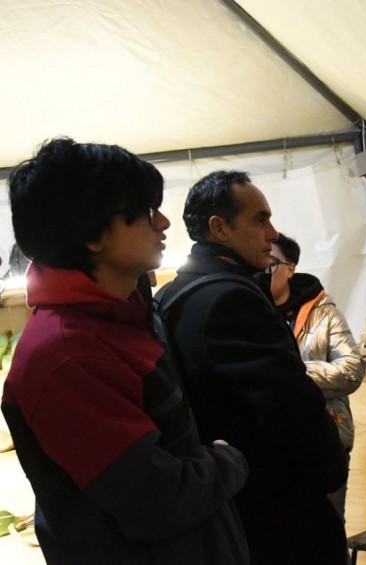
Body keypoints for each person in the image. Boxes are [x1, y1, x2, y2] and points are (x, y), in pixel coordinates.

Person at [1, 138, 249, 564]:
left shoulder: (120, 316)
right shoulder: (66, 356)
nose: (164, 222)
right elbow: (158, 499)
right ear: (93, 235)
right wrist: (230, 460)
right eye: (148, 212)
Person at [157, 171, 348, 564]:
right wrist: (330, 474)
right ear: (219, 228)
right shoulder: (229, 298)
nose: (272, 233)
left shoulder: (174, 293)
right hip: (274, 507)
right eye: (260, 220)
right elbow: (289, 403)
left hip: (229, 502)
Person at [270, 233, 365, 522]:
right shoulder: (252, 313)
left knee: (329, 525)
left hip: (325, 437)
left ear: (290, 267)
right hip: (274, 446)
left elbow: (351, 369)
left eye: (272, 263)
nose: (264, 271)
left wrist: (292, 373)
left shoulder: (323, 313)